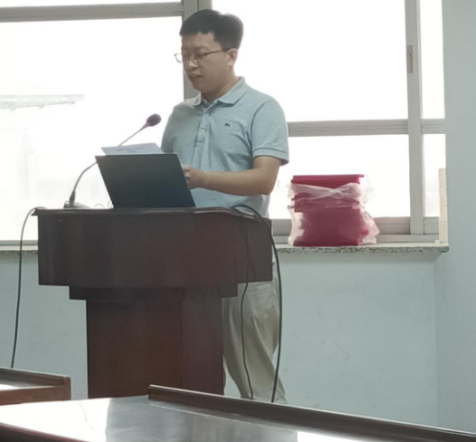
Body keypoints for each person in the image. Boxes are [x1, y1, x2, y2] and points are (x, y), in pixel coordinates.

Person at [161, 9, 288, 403]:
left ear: (231, 55)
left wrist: (203, 178)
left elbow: (264, 179)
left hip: (242, 259)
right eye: (184, 55)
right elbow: (166, 181)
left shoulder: (262, 108)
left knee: (255, 382)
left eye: (200, 54)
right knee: (191, 382)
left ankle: (273, 431)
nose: (191, 65)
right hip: (184, 263)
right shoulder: (179, 115)